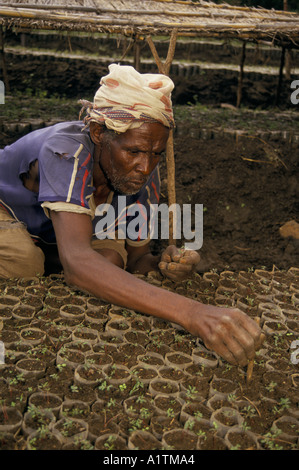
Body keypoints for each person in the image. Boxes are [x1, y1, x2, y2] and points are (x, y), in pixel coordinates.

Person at [0, 64, 263, 366]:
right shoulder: (66, 150)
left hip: (54, 231)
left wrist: (166, 265)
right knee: (26, 262)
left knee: (111, 261)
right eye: (134, 151)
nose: (146, 166)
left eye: (156, 154)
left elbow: (138, 260)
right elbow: (76, 262)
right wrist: (192, 313)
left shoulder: (143, 172)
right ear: (99, 133)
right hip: (6, 210)